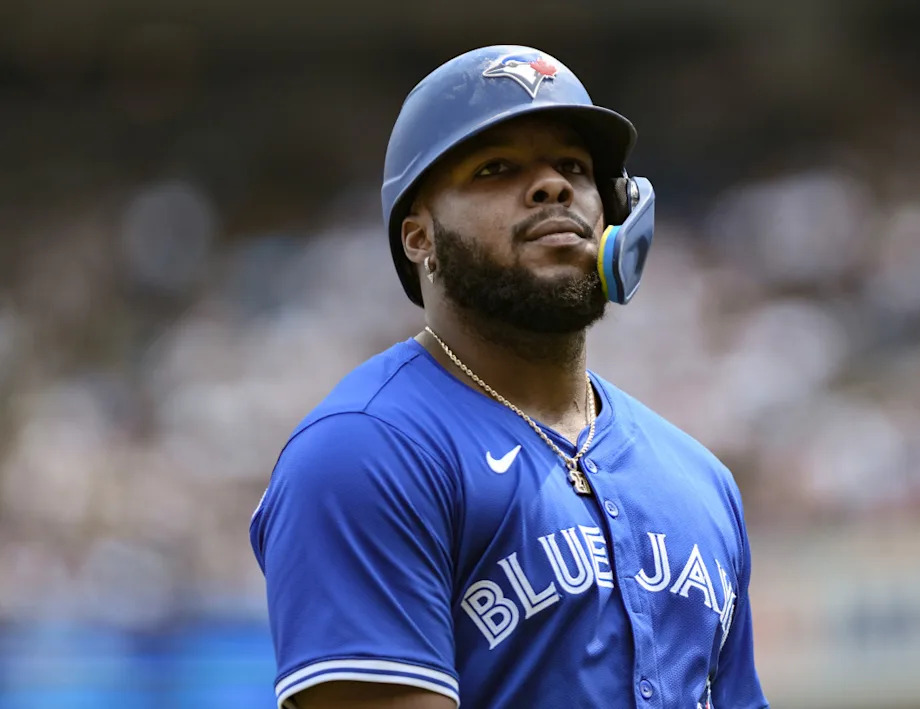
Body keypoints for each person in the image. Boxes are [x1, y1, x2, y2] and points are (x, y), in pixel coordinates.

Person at [250, 45, 768, 709]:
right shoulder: (363, 452)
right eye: (495, 168)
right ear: (418, 237)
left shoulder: (701, 480)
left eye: (573, 167)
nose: (553, 186)